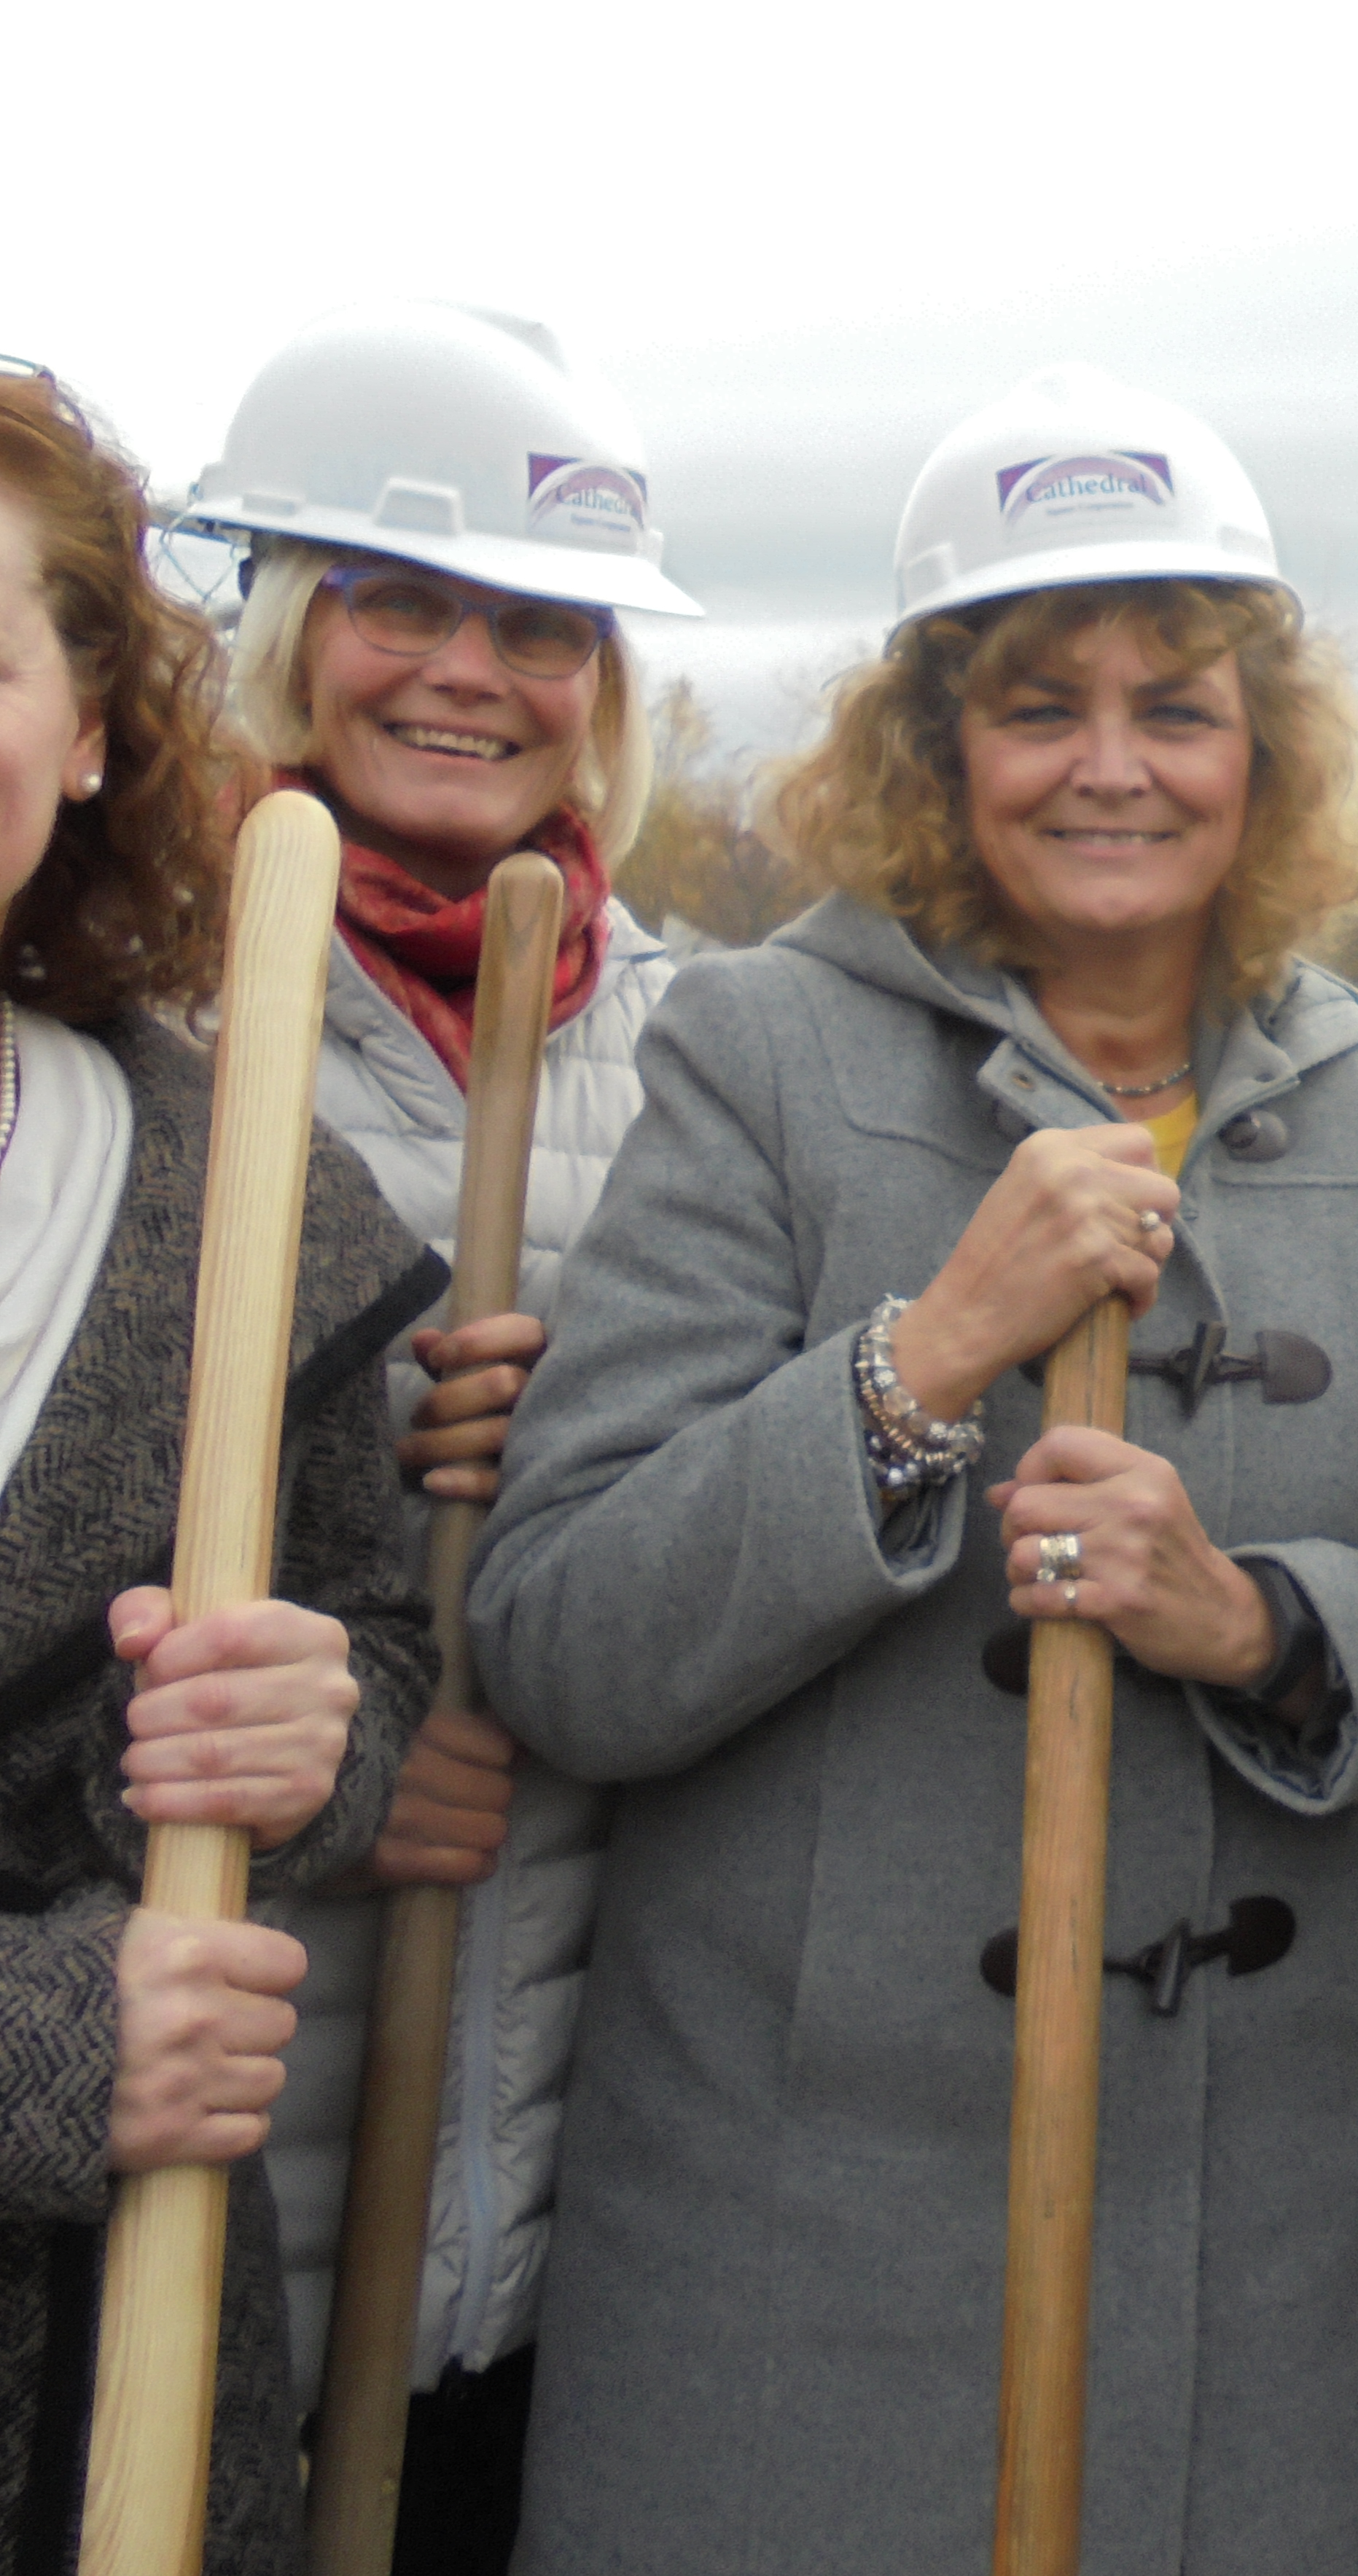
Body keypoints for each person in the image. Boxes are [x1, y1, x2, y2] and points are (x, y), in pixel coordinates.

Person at [467, 364, 1358, 2576]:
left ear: (1271, 748)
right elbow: (565, 1636)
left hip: (1251, 2279)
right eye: (1041, 703)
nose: (1117, 763)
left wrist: (1248, 1622)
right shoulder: (762, 1056)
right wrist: (923, 1359)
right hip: (795, 2278)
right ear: (941, 750)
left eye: (1181, 702)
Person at [182, 298, 702, 2576]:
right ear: (291, 628)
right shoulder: (140, 1018)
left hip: (584, 2162)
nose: (469, 673)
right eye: (404, 603)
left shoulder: (701, 1055)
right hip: (226, 2135)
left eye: (539, 623)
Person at [0, 366, 436, 2569]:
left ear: (87, 729)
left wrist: (312, 1739)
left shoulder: (218, 1190)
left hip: (115, 2392)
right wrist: (38, 2049)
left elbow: (369, 1664)